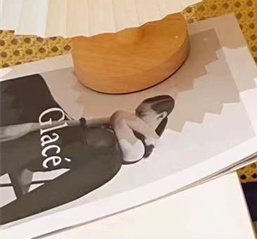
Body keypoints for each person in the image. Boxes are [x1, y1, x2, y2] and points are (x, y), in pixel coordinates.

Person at [0, 73, 174, 224]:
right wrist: (29, 127)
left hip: (50, 148)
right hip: (53, 137)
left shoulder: (135, 149)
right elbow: (79, 123)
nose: (134, 117)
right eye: (135, 113)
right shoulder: (118, 127)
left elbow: (119, 116)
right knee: (30, 84)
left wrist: (150, 134)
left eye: (141, 114)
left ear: (160, 116)